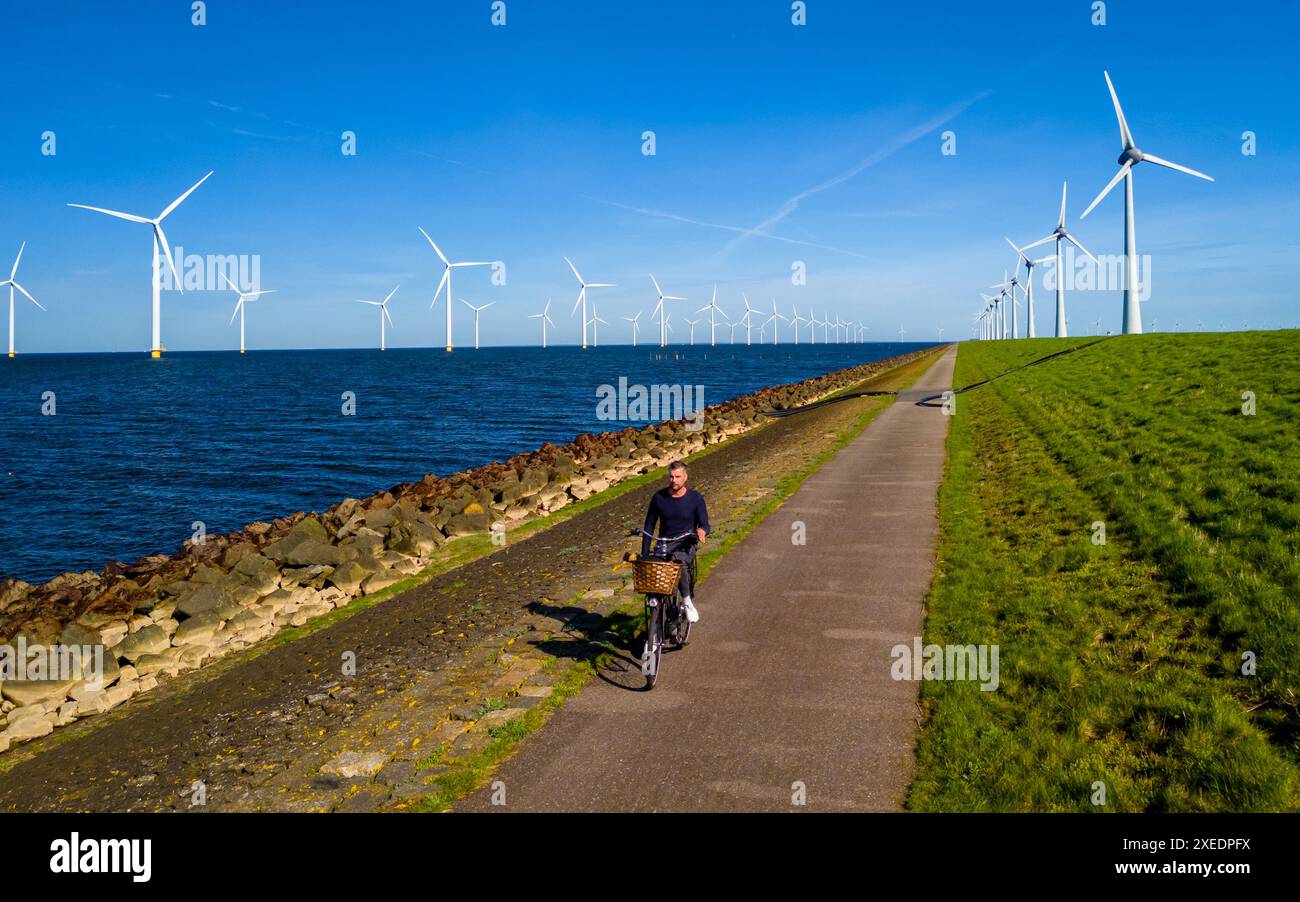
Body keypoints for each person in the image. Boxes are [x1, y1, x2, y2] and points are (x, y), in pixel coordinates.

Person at [641, 460, 709, 622]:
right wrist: (644, 553)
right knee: (654, 574)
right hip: (664, 542)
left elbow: (705, 524)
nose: (674, 480)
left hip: (686, 542)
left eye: (678, 477)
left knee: (678, 564)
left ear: (685, 477)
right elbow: (649, 525)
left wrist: (702, 531)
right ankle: (656, 624)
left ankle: (686, 602)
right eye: (671, 477)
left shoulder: (695, 498)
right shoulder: (659, 497)